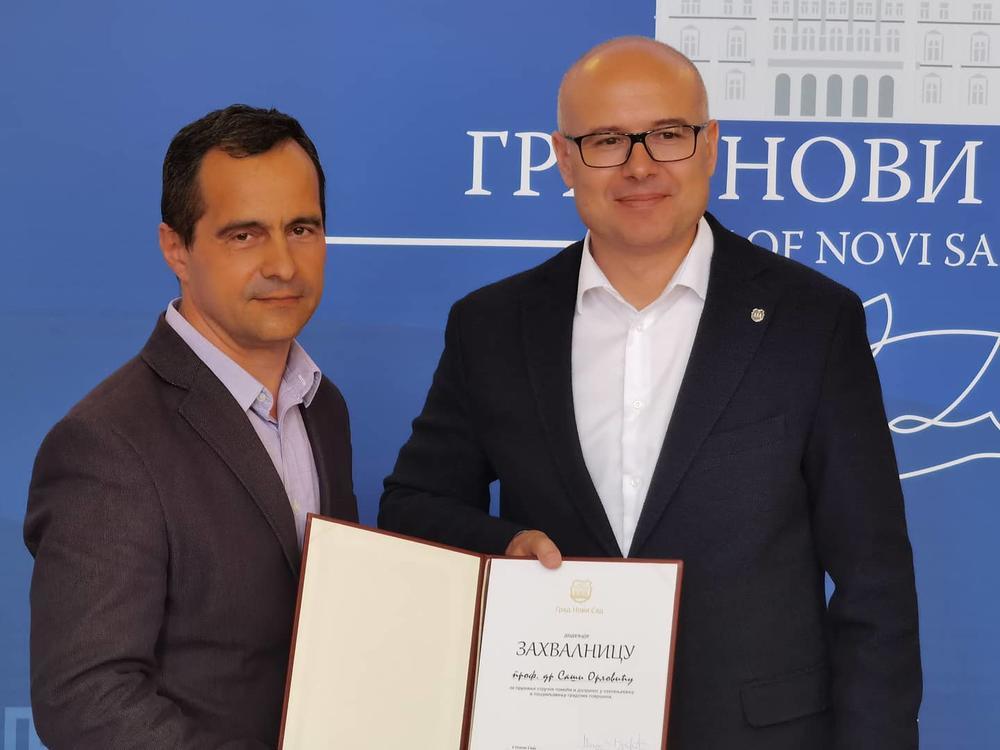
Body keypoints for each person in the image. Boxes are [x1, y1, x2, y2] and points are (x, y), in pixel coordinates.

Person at [380, 37, 920, 749]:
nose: (640, 166)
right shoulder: (492, 325)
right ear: (564, 159)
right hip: (554, 729)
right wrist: (504, 544)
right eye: (607, 140)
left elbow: (874, 580)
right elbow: (413, 506)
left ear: (710, 145)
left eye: (668, 134)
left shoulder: (813, 322)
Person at [25, 105, 357, 749]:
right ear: (176, 247)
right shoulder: (105, 444)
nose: (283, 264)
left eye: (302, 228)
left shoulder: (323, 407)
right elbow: (85, 699)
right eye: (244, 235)